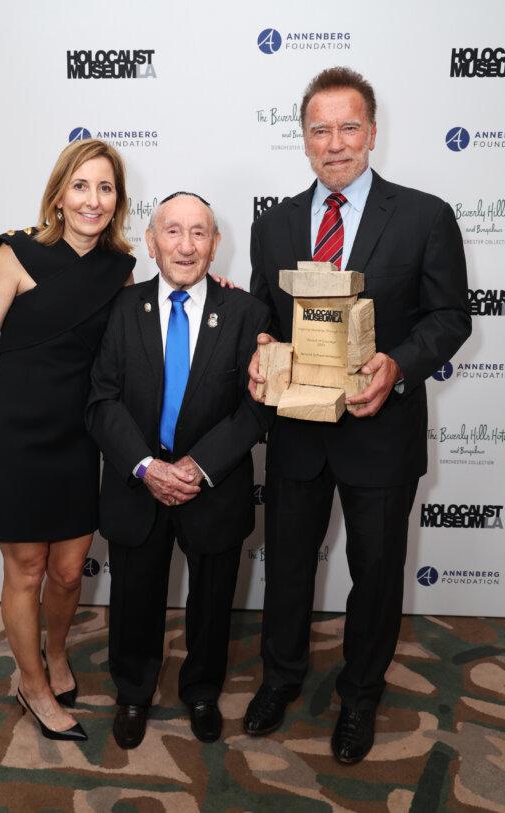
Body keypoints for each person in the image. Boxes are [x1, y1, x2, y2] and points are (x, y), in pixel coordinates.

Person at [244, 67, 471, 763]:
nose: (334, 142)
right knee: (285, 565)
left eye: (348, 127)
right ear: (304, 138)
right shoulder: (273, 223)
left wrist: (398, 365)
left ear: (372, 132)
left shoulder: (426, 215)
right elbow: (263, 314)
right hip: (296, 433)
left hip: (381, 428)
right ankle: (280, 678)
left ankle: (360, 694)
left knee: (374, 571)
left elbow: (450, 317)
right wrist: (257, 345)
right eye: (320, 129)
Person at [0, 139, 137, 741]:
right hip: (14, 433)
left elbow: (144, 333)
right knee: (26, 570)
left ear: (118, 200)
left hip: (79, 437)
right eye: (80, 186)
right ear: (59, 194)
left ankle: (56, 655)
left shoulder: (120, 269)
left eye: (105, 187)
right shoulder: (17, 252)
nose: (92, 199)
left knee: (66, 572)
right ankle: (32, 684)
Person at [86, 192, 271, 749]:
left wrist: (199, 466)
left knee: (213, 601)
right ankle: (134, 692)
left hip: (212, 485)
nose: (185, 245)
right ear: (151, 241)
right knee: (135, 595)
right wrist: (145, 467)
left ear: (216, 245)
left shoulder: (247, 314)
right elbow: (101, 400)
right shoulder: (120, 309)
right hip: (137, 483)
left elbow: (256, 406)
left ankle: (201, 691)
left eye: (199, 233)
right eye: (172, 231)